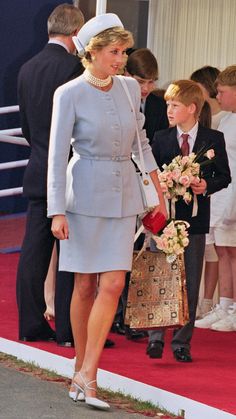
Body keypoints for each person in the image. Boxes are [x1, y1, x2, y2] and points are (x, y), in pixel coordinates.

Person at [47, 13, 167, 410]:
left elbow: (142, 143)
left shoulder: (132, 88)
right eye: (114, 52)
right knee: (84, 286)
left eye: (123, 51)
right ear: (93, 53)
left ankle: (89, 375)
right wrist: (56, 211)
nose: (121, 59)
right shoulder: (69, 93)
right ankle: (81, 369)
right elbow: (55, 156)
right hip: (82, 197)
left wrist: (157, 189)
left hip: (123, 196)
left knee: (112, 284)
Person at [148, 79, 231, 362]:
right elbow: (150, 176)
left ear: (192, 108)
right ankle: (156, 336)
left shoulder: (212, 139)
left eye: (175, 105)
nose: (169, 110)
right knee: (162, 274)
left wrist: (204, 185)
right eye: (168, 105)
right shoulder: (161, 138)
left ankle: (182, 341)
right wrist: (164, 184)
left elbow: (224, 176)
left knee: (190, 280)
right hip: (164, 219)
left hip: (194, 222)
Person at [16, 4, 84, 345]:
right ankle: (68, 331)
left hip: (38, 167)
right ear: (77, 34)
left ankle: (30, 325)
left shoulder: (27, 68)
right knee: (70, 253)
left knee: (33, 253)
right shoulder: (75, 68)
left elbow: (27, 128)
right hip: (70, 173)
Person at [111, 47, 169, 338]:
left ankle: (134, 316)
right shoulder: (115, 98)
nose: (146, 88)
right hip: (120, 186)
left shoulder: (158, 107)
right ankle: (116, 315)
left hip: (148, 186)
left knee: (143, 254)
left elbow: (156, 149)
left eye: (152, 82)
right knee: (120, 252)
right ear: (125, 74)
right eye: (141, 80)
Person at [195, 65, 236, 331]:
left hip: (234, 195)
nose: (217, 97)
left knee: (233, 252)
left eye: (222, 92)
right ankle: (224, 305)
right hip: (223, 194)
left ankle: (234, 309)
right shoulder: (227, 120)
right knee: (222, 250)